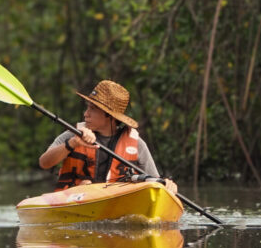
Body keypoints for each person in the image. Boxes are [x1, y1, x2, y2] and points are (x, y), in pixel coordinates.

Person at [38, 80, 178, 195]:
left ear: (109, 116)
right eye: (87, 107)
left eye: (92, 109)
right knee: (85, 184)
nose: (86, 114)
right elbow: (44, 163)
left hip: (116, 201)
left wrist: (167, 184)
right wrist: (73, 143)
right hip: (75, 199)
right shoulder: (72, 135)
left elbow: (155, 181)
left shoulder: (137, 144)